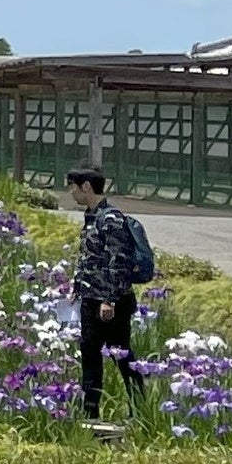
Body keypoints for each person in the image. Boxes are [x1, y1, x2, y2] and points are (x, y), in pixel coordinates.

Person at [69, 168, 155, 419]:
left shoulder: (111, 219)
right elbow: (89, 258)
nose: (71, 192)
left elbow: (119, 262)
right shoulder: (91, 217)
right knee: (90, 354)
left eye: (72, 186)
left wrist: (109, 300)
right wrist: (77, 288)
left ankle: (139, 409)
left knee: (122, 356)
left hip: (112, 303)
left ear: (86, 186)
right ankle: (90, 412)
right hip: (91, 299)